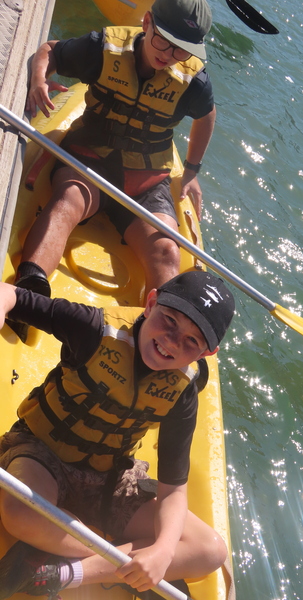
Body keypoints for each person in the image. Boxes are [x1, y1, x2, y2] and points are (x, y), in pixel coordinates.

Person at [0, 270, 235, 599]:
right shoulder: (94, 328)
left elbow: (172, 490)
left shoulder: (183, 392)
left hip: (110, 477)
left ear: (206, 354)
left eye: (191, 341)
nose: (171, 342)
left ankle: (65, 573)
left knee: (209, 550)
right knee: (18, 510)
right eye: (169, 320)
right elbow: (13, 296)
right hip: (41, 453)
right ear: (150, 304)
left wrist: (165, 550)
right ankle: (127, 567)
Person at [18, 0, 216, 303]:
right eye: (164, 41)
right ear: (147, 22)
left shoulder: (194, 82)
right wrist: (37, 80)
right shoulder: (104, 48)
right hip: (89, 160)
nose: (169, 55)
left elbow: (207, 115)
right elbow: (50, 51)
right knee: (68, 200)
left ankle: (163, 325)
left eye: (181, 49)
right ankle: (28, 291)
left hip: (146, 181)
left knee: (166, 249)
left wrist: (191, 171)